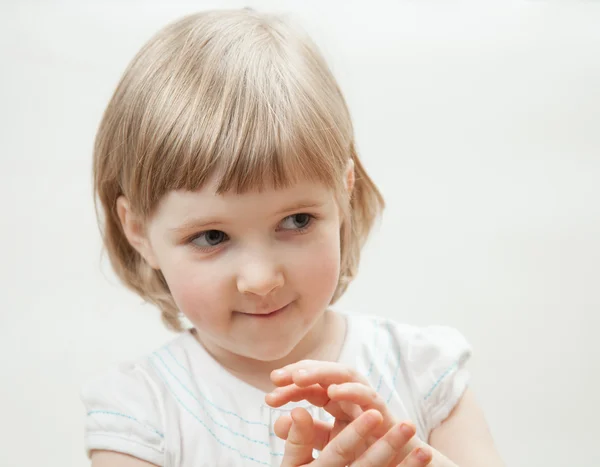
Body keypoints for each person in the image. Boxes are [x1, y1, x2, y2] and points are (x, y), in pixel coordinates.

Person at [82, 8, 505, 467]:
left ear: (344, 193)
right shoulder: (141, 416)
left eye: (297, 221)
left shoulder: (422, 372)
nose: (261, 280)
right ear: (139, 231)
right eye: (211, 236)